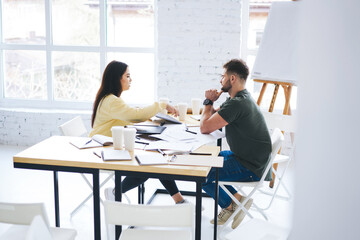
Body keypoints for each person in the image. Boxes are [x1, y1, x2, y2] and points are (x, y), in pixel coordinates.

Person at [90, 60, 187, 204]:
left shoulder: (111, 99)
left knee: (155, 157)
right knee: (149, 164)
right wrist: (162, 105)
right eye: (127, 76)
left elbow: (130, 113)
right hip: (104, 148)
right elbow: (134, 115)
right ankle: (116, 191)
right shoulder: (111, 101)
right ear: (118, 78)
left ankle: (179, 200)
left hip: (112, 143)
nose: (131, 79)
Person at [200, 59, 272, 229]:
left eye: (222, 76)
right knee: (203, 161)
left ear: (232, 79)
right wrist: (212, 106)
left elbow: (205, 127)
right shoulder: (240, 98)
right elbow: (214, 117)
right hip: (248, 158)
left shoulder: (237, 103)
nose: (220, 80)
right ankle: (235, 202)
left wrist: (208, 102)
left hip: (250, 166)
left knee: (201, 174)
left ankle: (234, 203)